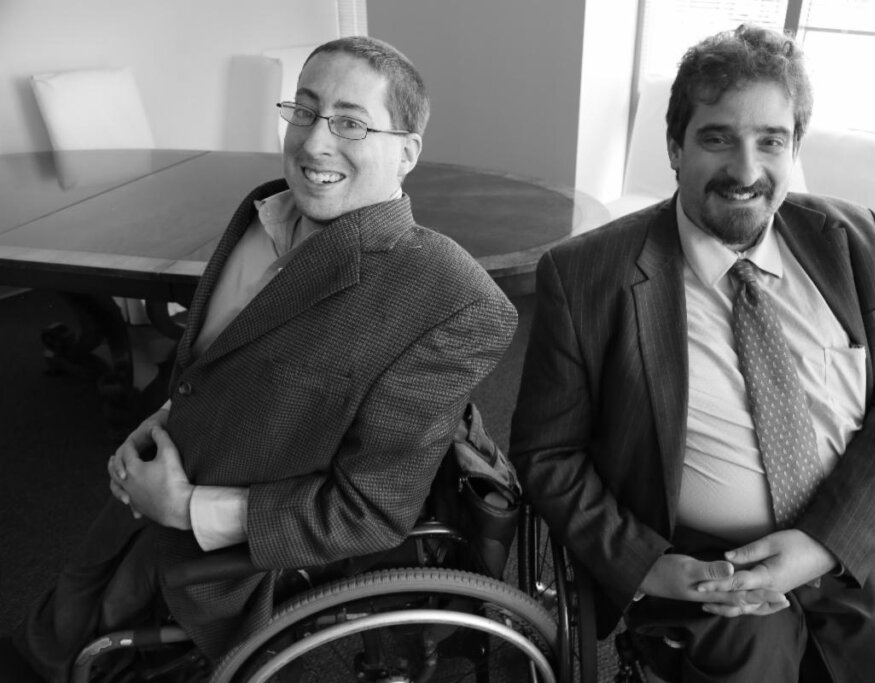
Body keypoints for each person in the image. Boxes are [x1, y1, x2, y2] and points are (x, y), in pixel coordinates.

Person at [15, 35, 517, 681]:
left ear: (407, 152)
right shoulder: (262, 210)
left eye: (350, 122)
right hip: (151, 483)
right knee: (56, 620)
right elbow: (218, 362)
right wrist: (162, 416)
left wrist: (184, 507)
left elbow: (368, 512)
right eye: (303, 111)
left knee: (86, 649)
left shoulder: (450, 302)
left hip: (227, 561)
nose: (313, 143)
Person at [511, 24, 875, 683]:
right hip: (700, 568)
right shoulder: (584, 276)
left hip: (848, 535)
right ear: (676, 147)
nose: (746, 170)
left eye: (771, 141)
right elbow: (548, 453)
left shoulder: (854, 242)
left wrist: (822, 543)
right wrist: (648, 565)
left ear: (795, 147)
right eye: (717, 137)